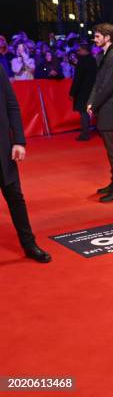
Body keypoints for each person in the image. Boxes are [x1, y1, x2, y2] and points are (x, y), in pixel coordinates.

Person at [0, 65, 51, 263]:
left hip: (2, 149)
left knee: (15, 198)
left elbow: (12, 104)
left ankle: (29, 245)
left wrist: (19, 141)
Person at [87, 23, 113, 203]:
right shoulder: (103, 56)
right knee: (110, 149)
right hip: (103, 107)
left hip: (109, 109)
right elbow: (98, 83)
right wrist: (90, 103)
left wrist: (94, 105)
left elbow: (108, 87)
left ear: (107, 37)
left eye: (97, 36)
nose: (94, 39)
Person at [70, 44, 97, 141]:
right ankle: (102, 131)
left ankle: (85, 134)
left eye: (80, 50)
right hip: (94, 90)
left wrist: (72, 93)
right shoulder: (93, 60)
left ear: (85, 51)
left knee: (83, 112)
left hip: (82, 92)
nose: (78, 52)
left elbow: (78, 79)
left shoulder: (81, 62)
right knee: (96, 111)